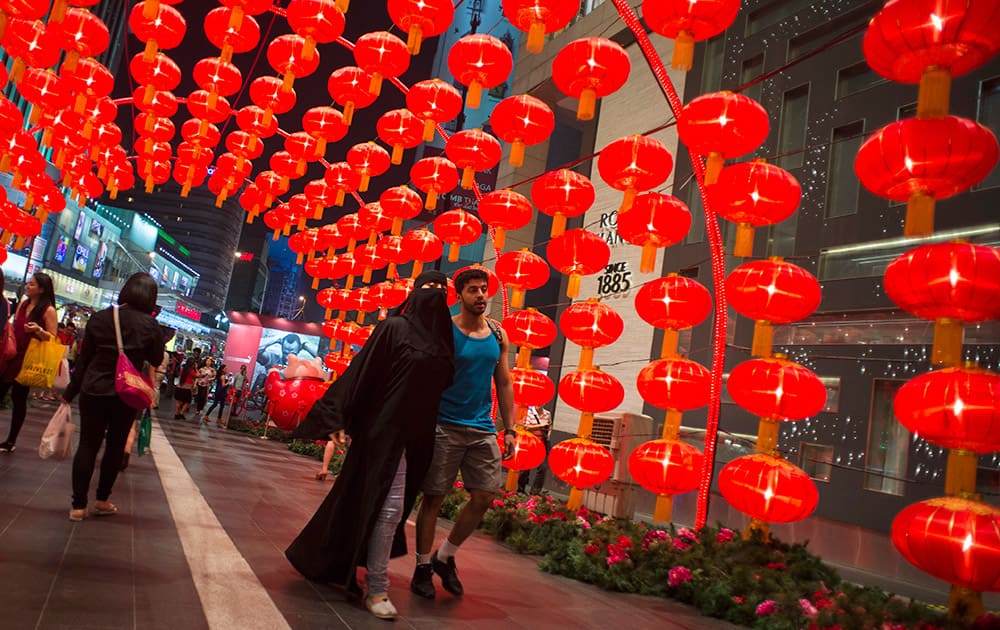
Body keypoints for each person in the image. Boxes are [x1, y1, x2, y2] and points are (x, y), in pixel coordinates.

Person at [285, 271, 454, 620]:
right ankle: (377, 588)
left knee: (382, 507)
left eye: (442, 289)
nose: (435, 294)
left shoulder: (444, 340)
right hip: (385, 433)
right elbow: (362, 372)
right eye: (429, 288)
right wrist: (340, 416)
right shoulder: (394, 329)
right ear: (414, 292)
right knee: (389, 508)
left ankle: (327, 556)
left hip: (420, 437)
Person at [411, 267, 515, 600]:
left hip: (482, 427)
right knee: (434, 498)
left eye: (484, 289)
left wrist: (510, 428)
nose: (482, 295)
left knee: (485, 494)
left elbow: (504, 381)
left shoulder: (498, 333)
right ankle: (423, 567)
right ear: (460, 296)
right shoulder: (445, 330)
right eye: (473, 290)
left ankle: (446, 556)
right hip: (444, 424)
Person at [63, 273, 164, 521]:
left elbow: (84, 361)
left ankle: (78, 506)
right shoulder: (150, 325)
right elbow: (157, 359)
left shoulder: (101, 318)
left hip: (93, 389)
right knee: (115, 446)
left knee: (88, 444)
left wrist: (70, 393)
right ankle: (102, 499)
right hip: (126, 393)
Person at [0, 273, 59, 452]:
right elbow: (14, 325)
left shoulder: (48, 310)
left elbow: (53, 337)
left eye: (32, 284)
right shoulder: (23, 304)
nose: (28, 286)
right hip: (12, 354)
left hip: (29, 360)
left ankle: (11, 440)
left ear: (41, 289)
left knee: (19, 399)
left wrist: (39, 331)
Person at [517, 406, 553, 494]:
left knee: (543, 468)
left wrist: (548, 432)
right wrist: (541, 425)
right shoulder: (529, 411)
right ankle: (520, 490)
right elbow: (525, 427)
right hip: (529, 443)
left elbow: (550, 426)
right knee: (525, 468)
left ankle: (535, 492)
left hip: (541, 443)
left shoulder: (547, 413)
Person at [173, 354, 197, 419]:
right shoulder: (191, 371)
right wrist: (196, 368)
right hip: (187, 388)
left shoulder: (183, 369)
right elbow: (197, 375)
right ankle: (181, 413)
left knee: (179, 401)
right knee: (187, 402)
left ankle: (176, 414)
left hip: (180, 386)